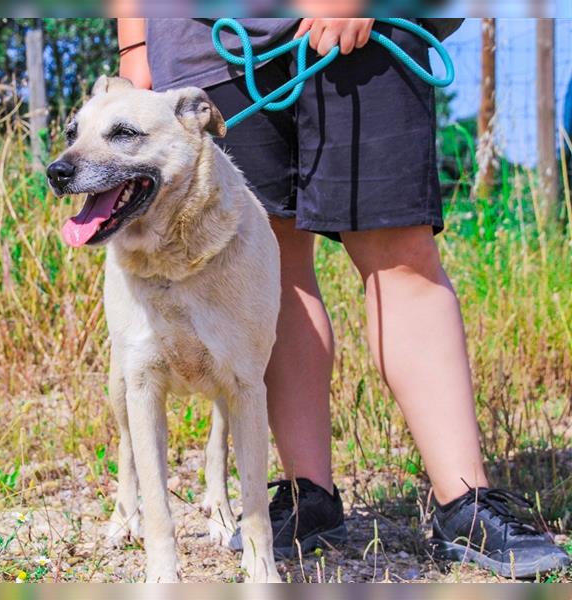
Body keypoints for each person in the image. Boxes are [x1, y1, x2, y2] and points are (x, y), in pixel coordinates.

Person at [114, 16, 571, 578]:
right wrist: (135, 38)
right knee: (267, 262)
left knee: (398, 249)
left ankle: (466, 504)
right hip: (200, 39)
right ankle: (311, 501)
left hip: (364, 28)